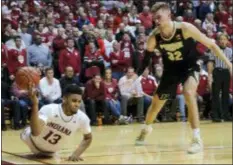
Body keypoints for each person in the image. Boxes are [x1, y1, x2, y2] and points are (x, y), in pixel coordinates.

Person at [135, 2, 232, 154]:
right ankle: (146, 128)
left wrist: (230, 65)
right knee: (155, 106)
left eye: (159, 17)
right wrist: (137, 74)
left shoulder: (185, 28)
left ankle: (196, 139)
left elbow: (212, 45)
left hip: (190, 67)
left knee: (188, 92)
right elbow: (146, 59)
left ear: (169, 15)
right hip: (170, 72)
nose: (157, 21)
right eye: (155, 18)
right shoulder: (154, 37)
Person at [21, 83, 92, 161]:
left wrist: (76, 154)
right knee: (33, 128)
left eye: (79, 101)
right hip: (31, 141)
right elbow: (35, 132)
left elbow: (88, 138)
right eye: (74, 101)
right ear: (64, 99)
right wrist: (35, 104)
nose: (77, 104)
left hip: (50, 153)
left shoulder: (82, 118)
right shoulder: (50, 109)